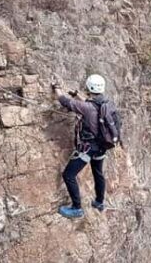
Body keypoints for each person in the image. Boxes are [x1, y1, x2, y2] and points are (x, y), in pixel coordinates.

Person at [52, 74, 121, 219]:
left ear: (89, 87)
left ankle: (76, 208)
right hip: (102, 147)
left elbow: (65, 102)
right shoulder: (108, 104)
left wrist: (56, 88)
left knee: (68, 175)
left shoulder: (86, 107)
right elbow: (91, 106)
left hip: (88, 148)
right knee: (98, 173)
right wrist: (78, 95)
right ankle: (99, 202)